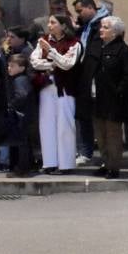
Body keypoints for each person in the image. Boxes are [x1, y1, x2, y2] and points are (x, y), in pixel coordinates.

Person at [30, 14, 80, 175]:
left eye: (53, 23)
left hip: (65, 89)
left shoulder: (74, 43)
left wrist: (51, 52)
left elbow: (68, 64)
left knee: (65, 125)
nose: (49, 25)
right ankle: (49, 162)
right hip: (47, 86)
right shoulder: (44, 40)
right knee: (46, 124)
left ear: (63, 25)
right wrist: (52, 64)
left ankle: (66, 164)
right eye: (49, 22)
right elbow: (34, 61)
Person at [90, 16, 128, 179]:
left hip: (114, 100)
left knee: (112, 135)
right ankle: (105, 162)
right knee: (100, 134)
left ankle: (114, 166)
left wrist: (119, 92)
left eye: (106, 27)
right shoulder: (99, 48)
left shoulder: (123, 51)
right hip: (99, 99)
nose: (101, 30)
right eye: (101, 27)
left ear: (115, 32)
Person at [72, 0, 107, 166]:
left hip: (97, 75)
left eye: (80, 11)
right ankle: (86, 151)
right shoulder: (85, 25)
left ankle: (105, 155)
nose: (79, 14)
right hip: (84, 75)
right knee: (83, 115)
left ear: (91, 7)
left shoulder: (103, 24)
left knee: (101, 118)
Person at [2, 54, 36, 177]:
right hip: (23, 116)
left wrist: (9, 105)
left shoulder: (20, 80)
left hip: (21, 116)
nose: (9, 68)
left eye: (12, 66)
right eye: (8, 66)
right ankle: (22, 168)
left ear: (22, 68)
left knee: (21, 144)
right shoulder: (19, 78)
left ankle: (22, 169)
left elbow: (22, 95)